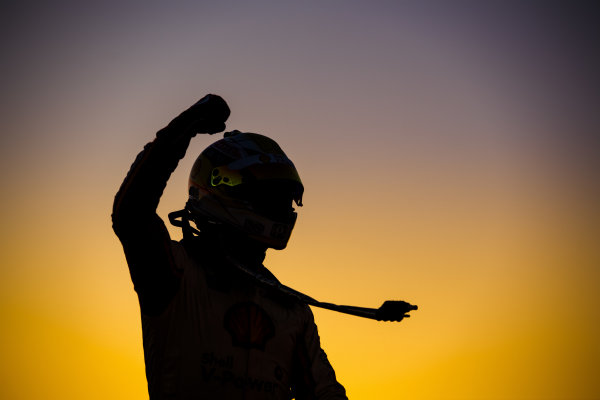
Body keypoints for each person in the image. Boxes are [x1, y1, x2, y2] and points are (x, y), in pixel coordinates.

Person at [112, 94, 348, 400]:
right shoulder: (176, 275)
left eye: (283, 199)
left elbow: (325, 394)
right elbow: (132, 215)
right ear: (224, 190)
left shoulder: (293, 309)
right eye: (269, 196)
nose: (281, 208)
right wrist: (180, 130)